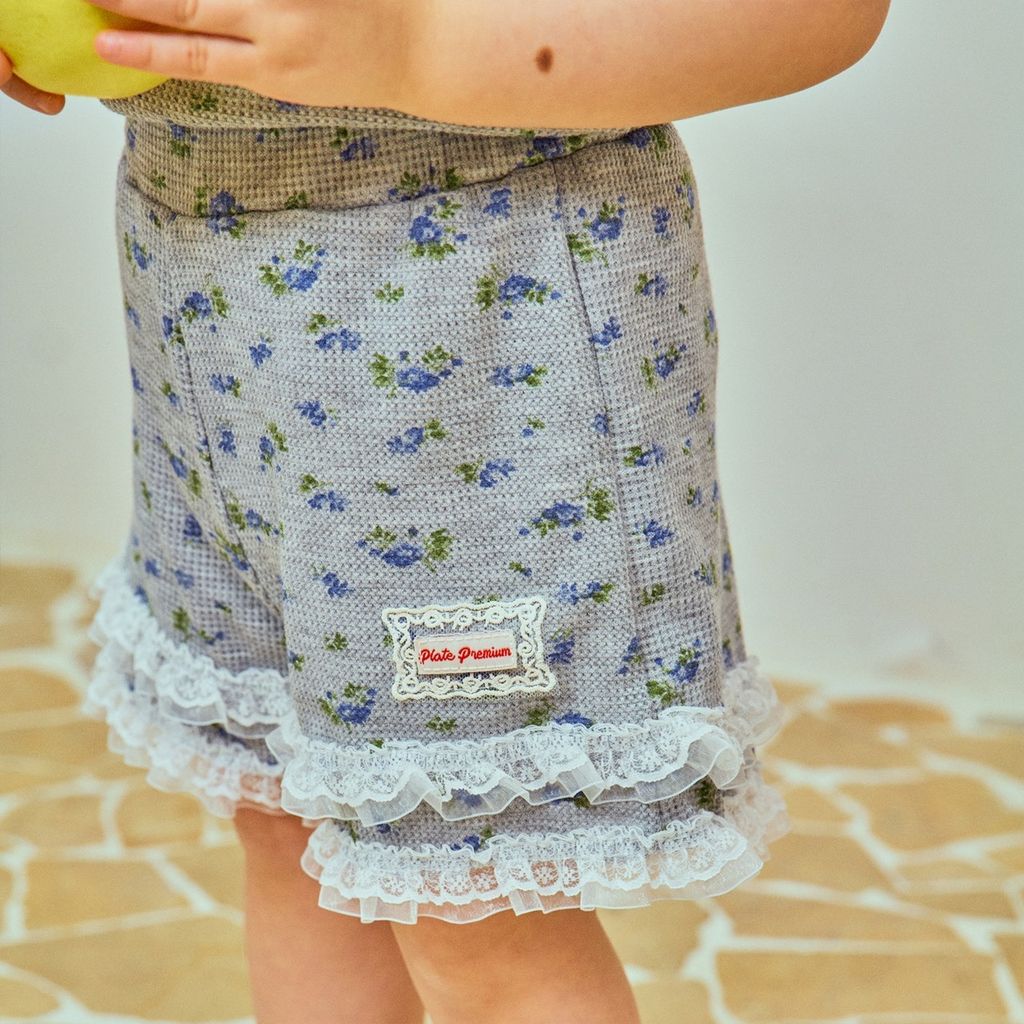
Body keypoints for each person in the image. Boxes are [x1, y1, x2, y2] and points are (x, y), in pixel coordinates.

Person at [3, 2, 890, 1022]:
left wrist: (412, 49)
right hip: (206, 310)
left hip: (481, 336)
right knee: (292, 822)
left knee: (476, 907)